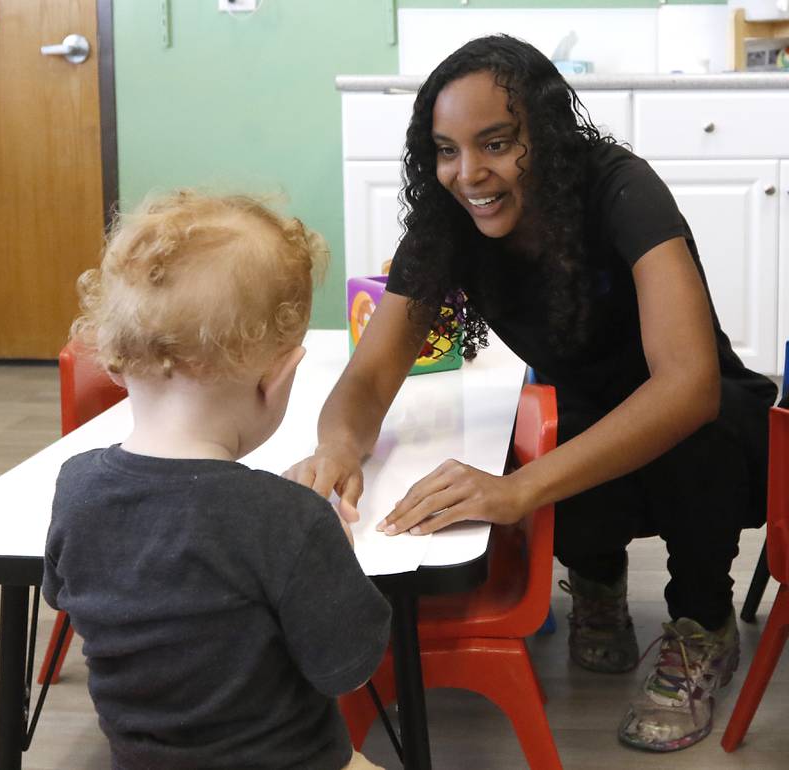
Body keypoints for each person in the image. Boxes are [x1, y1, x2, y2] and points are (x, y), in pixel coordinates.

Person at [285, 35, 778, 753]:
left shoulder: (621, 188)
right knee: (538, 442)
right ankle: (598, 580)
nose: (468, 173)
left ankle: (704, 624)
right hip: (587, 419)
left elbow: (689, 387)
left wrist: (519, 493)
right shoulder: (450, 222)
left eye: (496, 143)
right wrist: (335, 447)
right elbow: (368, 376)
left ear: (544, 137)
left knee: (677, 444)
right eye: (446, 150)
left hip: (710, 432)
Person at [43, 191, 391, 770]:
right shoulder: (288, 519)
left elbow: (67, 598)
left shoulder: (76, 487)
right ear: (278, 377)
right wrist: (333, 552)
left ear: (118, 357)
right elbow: (347, 666)